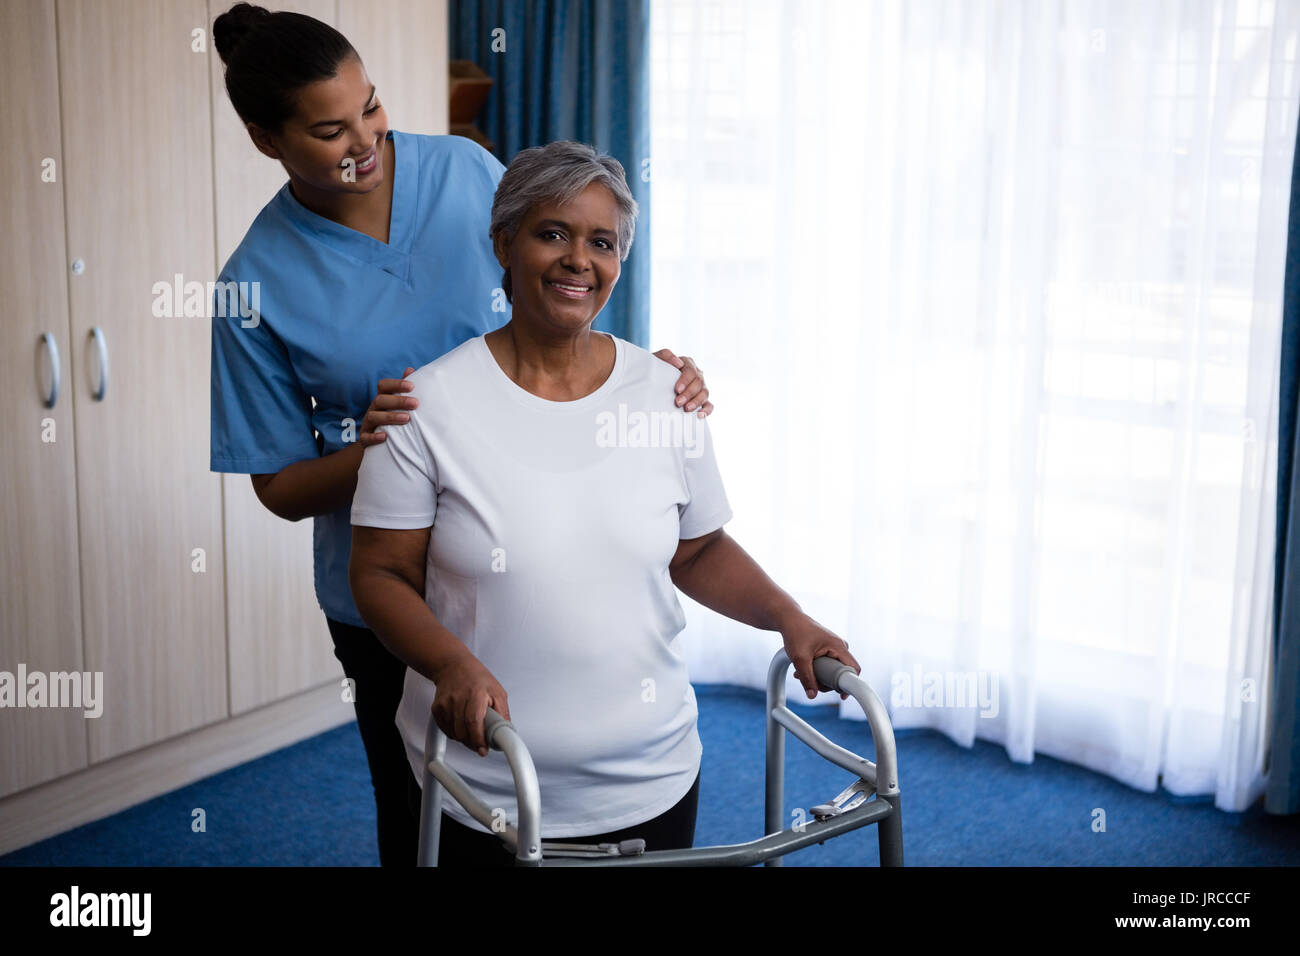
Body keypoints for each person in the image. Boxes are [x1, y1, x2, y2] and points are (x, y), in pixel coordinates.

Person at [207, 3, 714, 868]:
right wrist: (388, 449)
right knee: (427, 818)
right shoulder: (251, 284)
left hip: (546, 545)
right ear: (266, 140)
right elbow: (279, 488)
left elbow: (567, 287)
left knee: (577, 804)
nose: (366, 138)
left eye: (372, 107)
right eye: (330, 130)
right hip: (394, 582)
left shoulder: (469, 171)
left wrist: (643, 369)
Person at [348, 141, 859, 868]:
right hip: (487, 774)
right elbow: (380, 574)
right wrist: (450, 662)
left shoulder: (666, 394)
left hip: (651, 773)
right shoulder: (425, 405)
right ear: (505, 242)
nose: (577, 260)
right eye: (551, 233)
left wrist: (790, 618)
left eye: (602, 242)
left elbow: (700, 548)